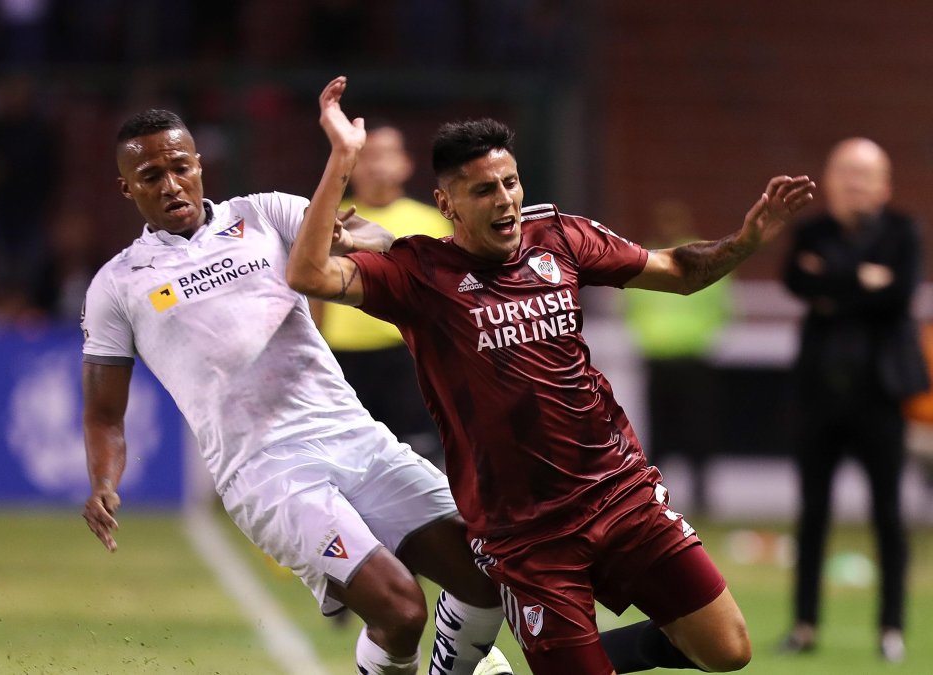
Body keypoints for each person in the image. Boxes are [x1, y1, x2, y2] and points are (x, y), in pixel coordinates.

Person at [288, 76, 816, 674]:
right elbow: (308, 276)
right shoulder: (418, 276)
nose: (505, 200)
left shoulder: (560, 237)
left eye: (511, 183)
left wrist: (745, 241)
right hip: (526, 537)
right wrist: (342, 159)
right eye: (484, 190)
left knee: (728, 651)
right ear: (447, 205)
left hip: (620, 494)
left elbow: (677, 269)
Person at [78, 108, 514, 675]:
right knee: (402, 610)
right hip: (267, 472)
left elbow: (370, 238)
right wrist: (103, 484)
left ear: (200, 165)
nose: (171, 185)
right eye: (151, 177)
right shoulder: (118, 284)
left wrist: (360, 241)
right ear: (126, 187)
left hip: (354, 436)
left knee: (486, 577)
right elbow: (104, 414)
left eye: (180, 168)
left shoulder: (265, 213)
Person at [778, 137, 927, 663]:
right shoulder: (810, 230)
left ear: (883, 186)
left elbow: (897, 292)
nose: (853, 184)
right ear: (827, 178)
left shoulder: (903, 232)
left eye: (863, 175)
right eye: (843, 172)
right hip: (818, 394)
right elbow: (795, 280)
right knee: (812, 512)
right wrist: (861, 278)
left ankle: (891, 628)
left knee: (888, 513)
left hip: (880, 396)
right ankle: (803, 625)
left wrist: (832, 282)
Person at [315, 123, 450, 468]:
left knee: (418, 455)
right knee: (354, 460)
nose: (376, 165)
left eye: (385, 155)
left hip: (408, 355)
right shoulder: (330, 220)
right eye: (366, 157)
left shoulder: (433, 222)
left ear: (405, 163)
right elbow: (312, 290)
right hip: (344, 358)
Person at [623, 200, 732, 515]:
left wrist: (696, 335)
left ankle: (701, 497)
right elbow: (633, 308)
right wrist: (651, 337)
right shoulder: (646, 261)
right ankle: (656, 497)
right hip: (659, 357)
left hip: (694, 357)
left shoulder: (701, 260)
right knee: (659, 432)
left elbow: (722, 308)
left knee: (698, 430)